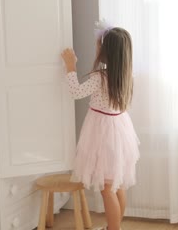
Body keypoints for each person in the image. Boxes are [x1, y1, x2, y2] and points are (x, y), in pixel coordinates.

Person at [61, 25, 140, 230]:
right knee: (117, 185)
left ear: (106, 52)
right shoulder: (125, 76)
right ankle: (112, 227)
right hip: (119, 130)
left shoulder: (100, 77)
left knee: (107, 189)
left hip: (102, 134)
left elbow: (75, 92)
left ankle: (113, 229)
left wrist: (70, 67)